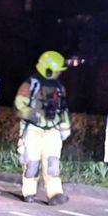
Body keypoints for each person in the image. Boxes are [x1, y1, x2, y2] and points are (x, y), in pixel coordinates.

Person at [15, 51, 71, 205]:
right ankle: (29, 192)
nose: (60, 73)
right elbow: (19, 104)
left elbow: (63, 108)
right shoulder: (31, 84)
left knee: (53, 164)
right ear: (48, 68)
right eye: (58, 70)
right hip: (33, 131)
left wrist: (65, 127)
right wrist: (33, 115)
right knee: (32, 164)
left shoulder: (59, 88)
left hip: (52, 131)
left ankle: (55, 194)